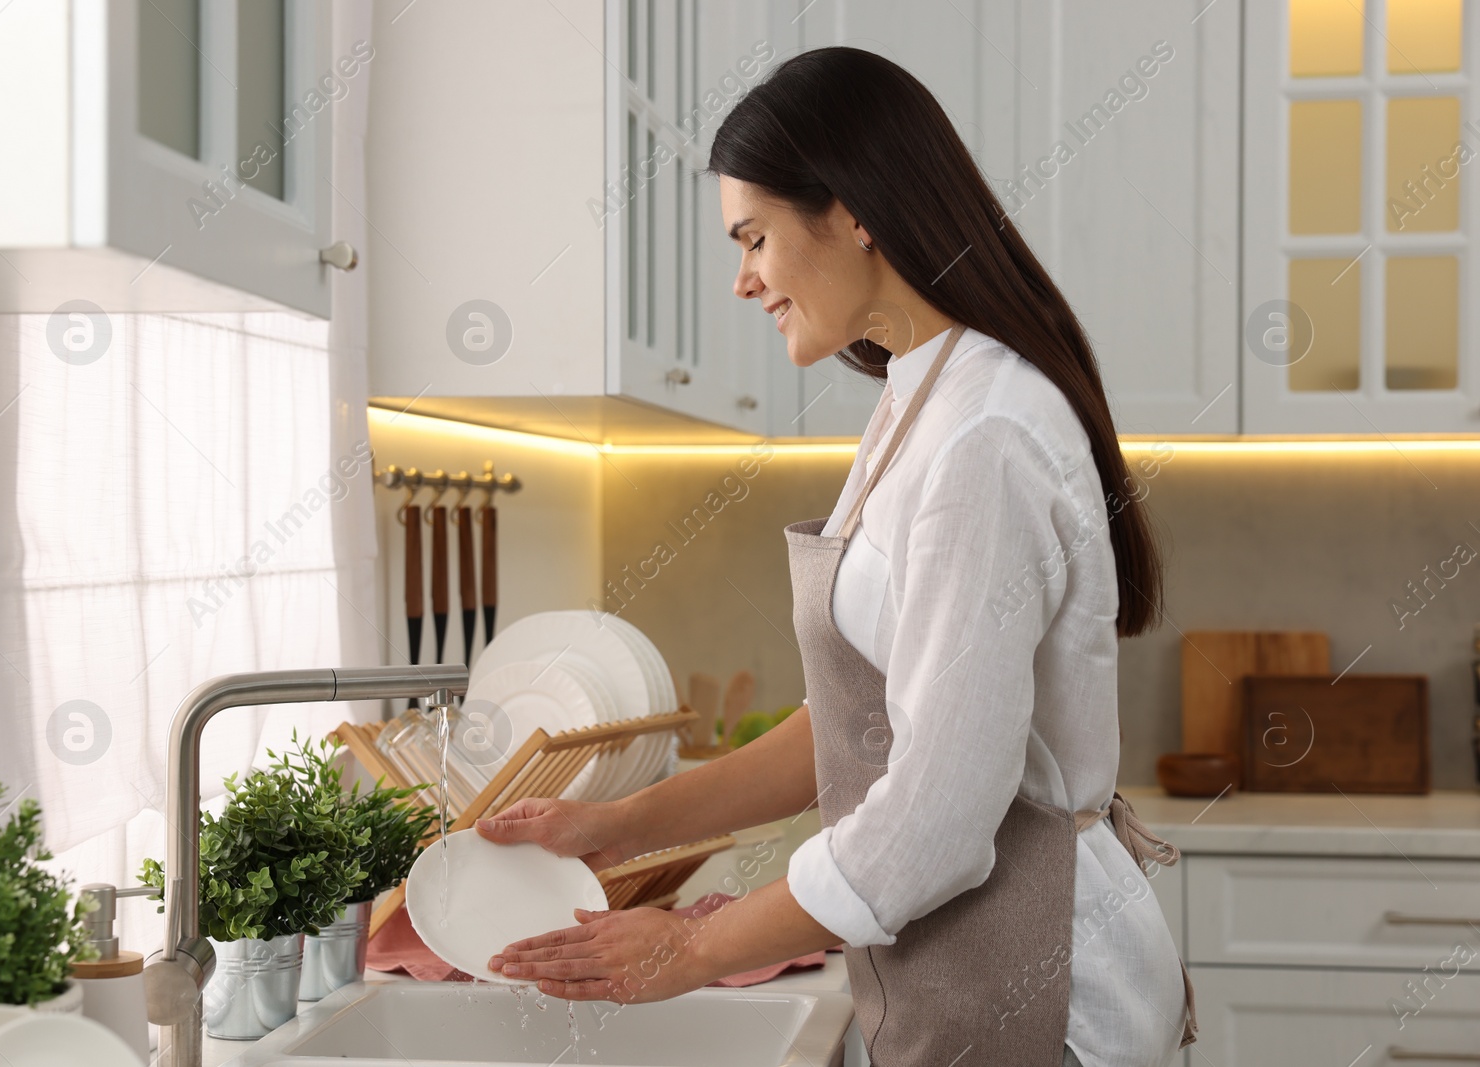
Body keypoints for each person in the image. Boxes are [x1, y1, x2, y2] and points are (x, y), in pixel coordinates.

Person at [479, 46, 1194, 1067]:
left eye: (755, 237)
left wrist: (690, 946)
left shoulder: (982, 437)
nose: (741, 279)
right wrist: (621, 824)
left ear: (853, 210)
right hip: (966, 971)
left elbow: (935, 820)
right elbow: (862, 718)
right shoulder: (919, 393)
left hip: (1048, 993)